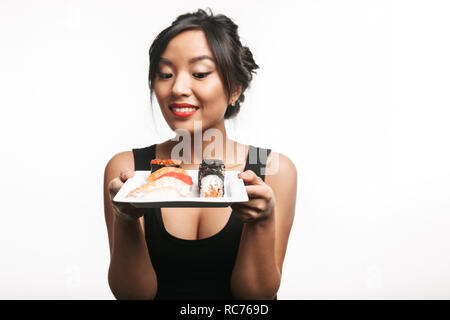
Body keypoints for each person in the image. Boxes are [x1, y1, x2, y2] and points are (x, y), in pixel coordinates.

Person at [103, 8, 297, 300]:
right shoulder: (129, 169)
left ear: (234, 89)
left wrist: (262, 220)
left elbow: (255, 298)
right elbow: (133, 297)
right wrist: (126, 220)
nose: (178, 88)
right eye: (165, 74)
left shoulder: (269, 169)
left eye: (200, 73)